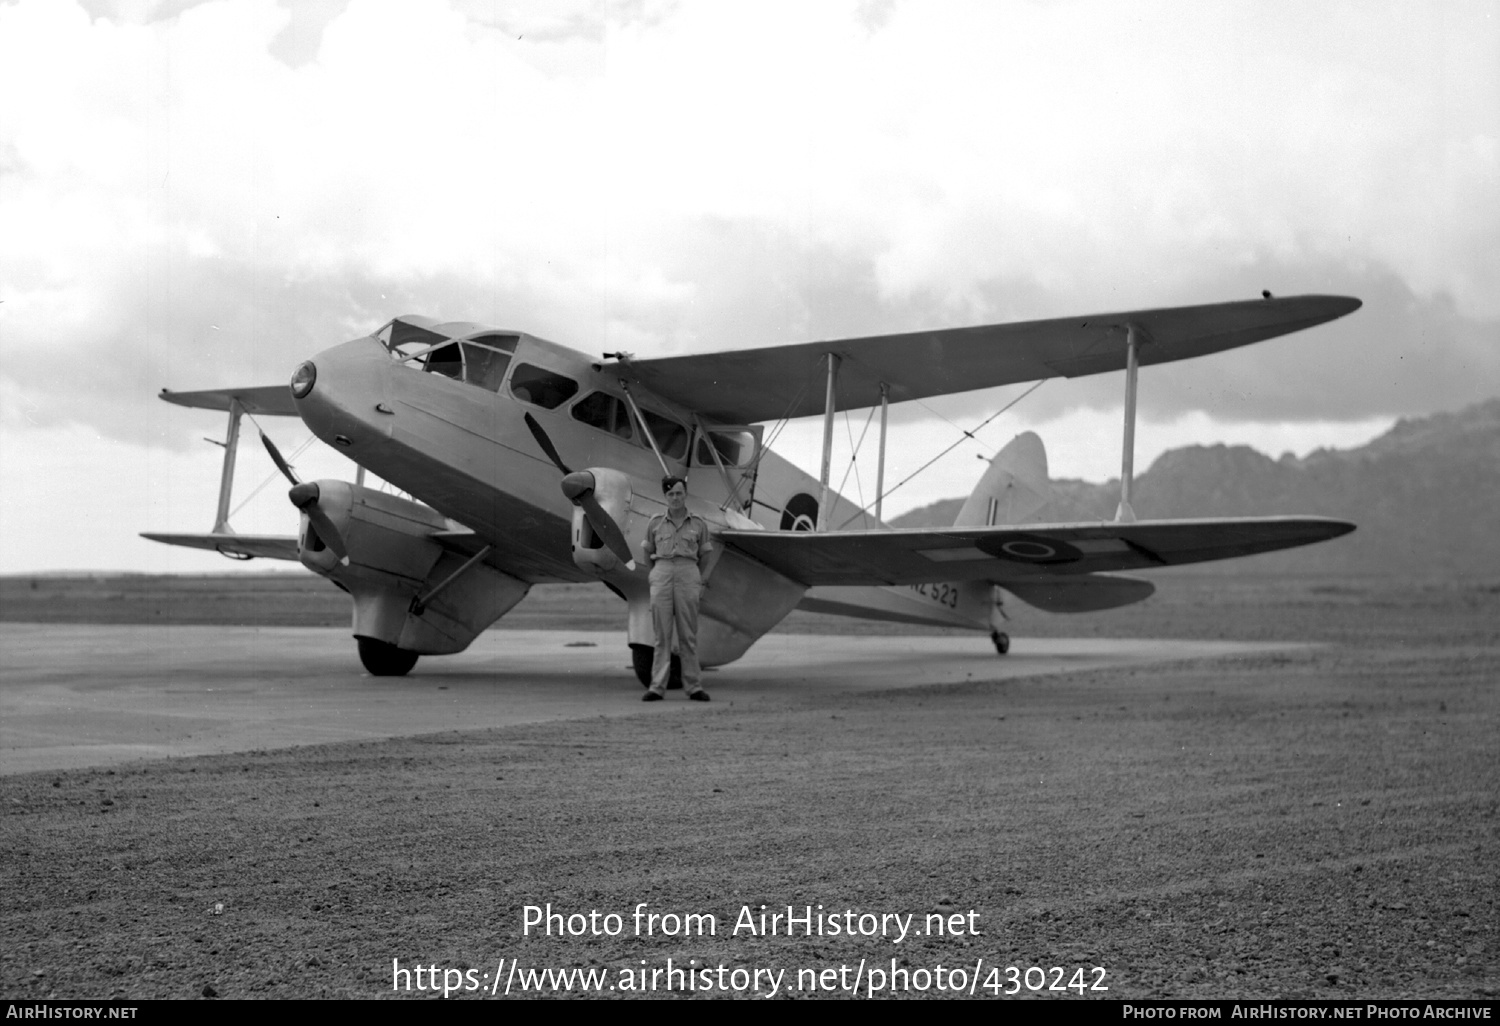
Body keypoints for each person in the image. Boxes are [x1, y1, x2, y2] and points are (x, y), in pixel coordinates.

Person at [640, 475, 712, 702]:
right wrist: (654, 573)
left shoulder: (699, 524)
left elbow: (706, 553)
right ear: (665, 496)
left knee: (688, 634)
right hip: (661, 573)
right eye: (671, 494)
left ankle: (693, 686)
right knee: (661, 634)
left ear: (685, 494)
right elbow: (647, 551)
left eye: (679, 493)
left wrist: (698, 577)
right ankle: (656, 687)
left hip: (688, 572)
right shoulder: (655, 523)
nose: (675, 498)